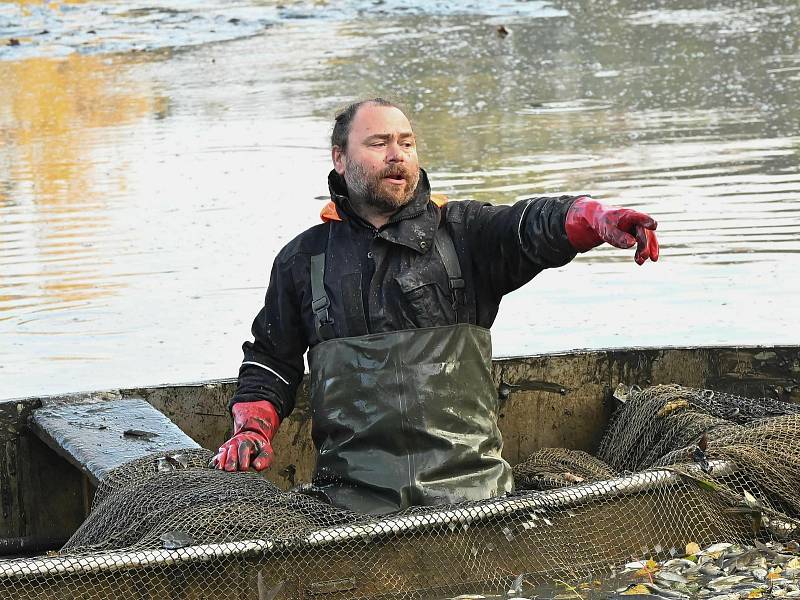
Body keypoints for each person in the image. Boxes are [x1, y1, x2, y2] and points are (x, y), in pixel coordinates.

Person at [212, 98, 659, 514]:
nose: (397, 154)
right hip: (347, 508)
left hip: (476, 500)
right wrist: (253, 427)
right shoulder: (302, 260)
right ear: (340, 159)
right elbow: (271, 361)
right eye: (379, 143)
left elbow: (530, 226)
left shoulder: (465, 233)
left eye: (406, 143)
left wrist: (594, 219)